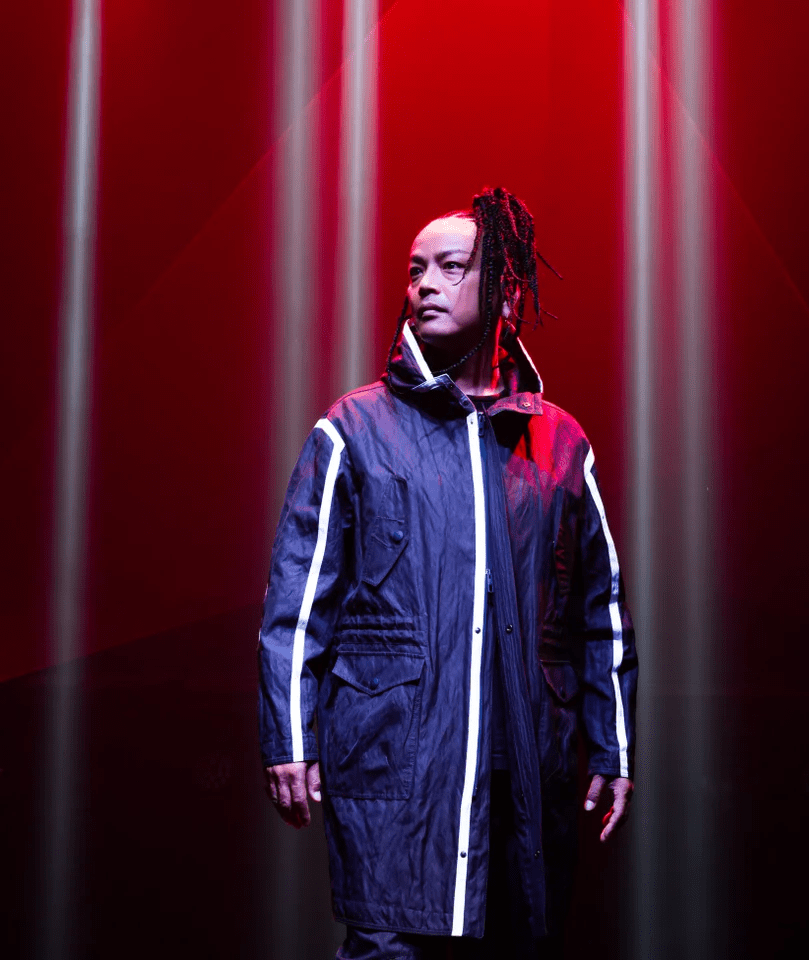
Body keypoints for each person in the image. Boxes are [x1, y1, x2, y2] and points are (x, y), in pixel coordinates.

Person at [258, 186, 637, 959]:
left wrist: (614, 745)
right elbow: (296, 603)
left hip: (527, 772)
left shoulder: (560, 444)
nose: (424, 284)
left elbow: (602, 612)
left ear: (506, 290)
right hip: (395, 768)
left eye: (450, 267)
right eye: (414, 269)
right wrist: (289, 736)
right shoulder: (354, 430)